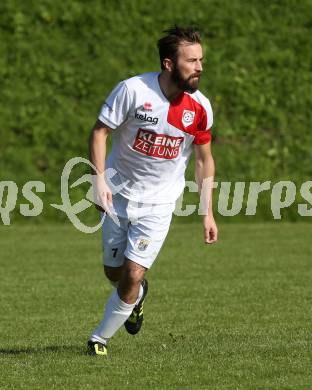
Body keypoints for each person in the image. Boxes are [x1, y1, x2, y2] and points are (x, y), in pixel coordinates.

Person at [87, 26, 218, 356]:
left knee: (132, 273)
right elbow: (100, 132)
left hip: (159, 203)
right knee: (114, 273)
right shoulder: (132, 91)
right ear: (169, 64)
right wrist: (99, 179)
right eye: (192, 60)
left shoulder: (199, 108)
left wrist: (208, 212)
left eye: (201, 60)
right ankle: (138, 296)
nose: (199, 67)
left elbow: (204, 160)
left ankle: (98, 340)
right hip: (117, 196)